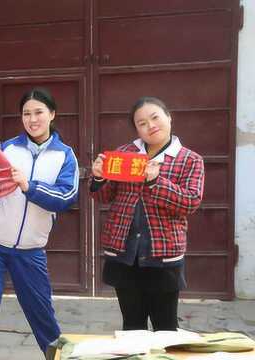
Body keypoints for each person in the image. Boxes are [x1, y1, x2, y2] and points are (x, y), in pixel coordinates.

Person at [0, 88, 79, 358]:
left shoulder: (64, 155)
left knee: (42, 316)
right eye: (27, 113)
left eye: (38, 112)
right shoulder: (7, 148)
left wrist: (30, 186)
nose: (32, 119)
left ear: (52, 114)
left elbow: (66, 197)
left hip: (30, 248)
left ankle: (59, 357)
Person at [90, 96, 205, 331]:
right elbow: (103, 197)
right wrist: (100, 177)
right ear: (137, 129)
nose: (150, 125)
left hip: (162, 256)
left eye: (155, 118)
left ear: (169, 118)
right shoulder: (124, 155)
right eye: (142, 123)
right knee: (132, 326)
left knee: (166, 328)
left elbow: (190, 202)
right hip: (124, 253)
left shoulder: (190, 160)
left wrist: (156, 182)